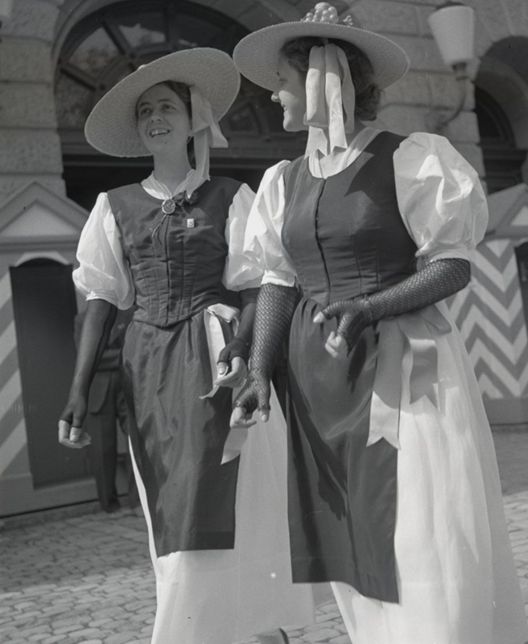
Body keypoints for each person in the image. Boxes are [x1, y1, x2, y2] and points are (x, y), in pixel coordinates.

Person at [231, 4, 528, 643]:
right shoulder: (281, 182)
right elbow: (276, 281)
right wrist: (258, 370)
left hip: (402, 370)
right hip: (318, 382)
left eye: (283, 82)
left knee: (417, 525)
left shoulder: (411, 159)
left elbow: (452, 266)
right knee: (348, 529)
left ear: (322, 80)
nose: (274, 95)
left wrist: (370, 307)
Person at [58, 48, 313, 644]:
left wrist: (245, 347)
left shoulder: (230, 195)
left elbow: (258, 286)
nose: (155, 118)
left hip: (217, 355)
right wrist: (77, 392)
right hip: (147, 366)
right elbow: (100, 300)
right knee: (170, 502)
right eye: (145, 110)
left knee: (222, 492)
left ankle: (247, 627)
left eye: (166, 107)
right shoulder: (114, 206)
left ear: (193, 118)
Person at [77, 306, 137, 513]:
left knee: (136, 440)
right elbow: (85, 358)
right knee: (102, 448)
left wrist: (103, 356)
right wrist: (121, 356)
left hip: (128, 384)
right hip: (98, 389)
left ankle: (138, 501)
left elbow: (135, 350)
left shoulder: (128, 314)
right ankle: (109, 504)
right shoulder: (82, 319)